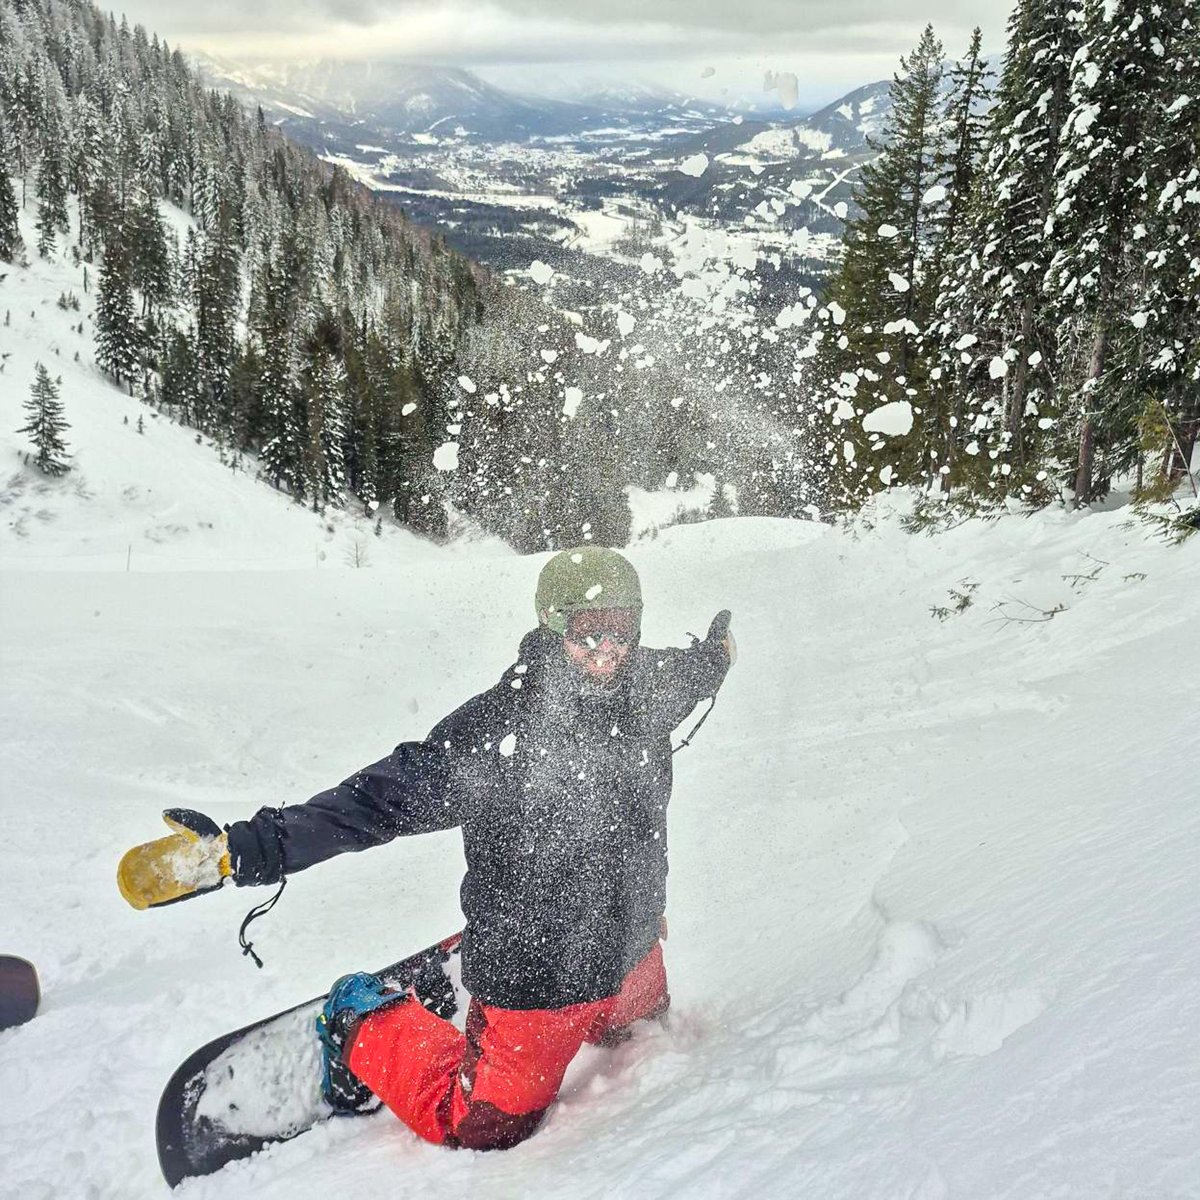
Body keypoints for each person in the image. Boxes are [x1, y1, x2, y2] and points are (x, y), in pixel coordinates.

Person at [118, 546, 734, 1151]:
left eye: (621, 631)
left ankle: (588, 991)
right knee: (481, 1124)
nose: (608, 652)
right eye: (588, 633)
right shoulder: (499, 732)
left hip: (629, 943)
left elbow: (695, 672)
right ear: (553, 625)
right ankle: (358, 1017)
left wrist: (717, 655)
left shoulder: (649, 684)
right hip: (536, 978)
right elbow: (370, 805)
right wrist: (244, 849)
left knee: (642, 1032)